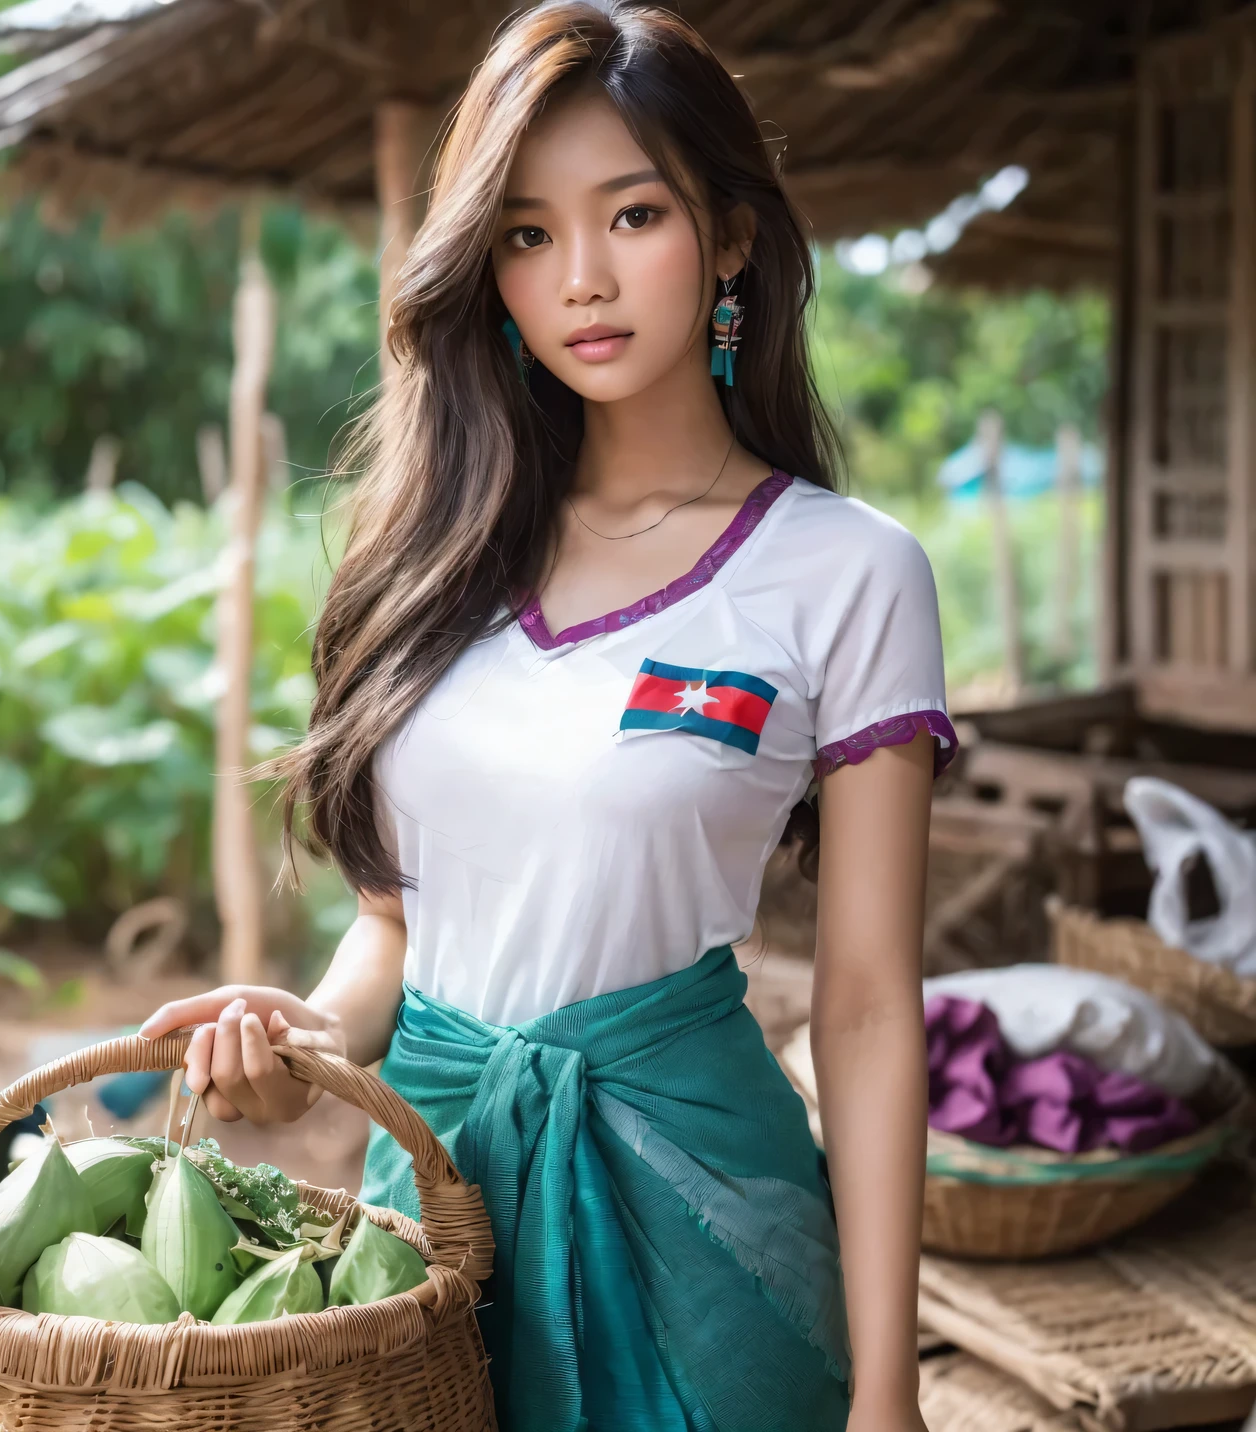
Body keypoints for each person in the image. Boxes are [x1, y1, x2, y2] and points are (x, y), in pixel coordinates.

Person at [143, 3, 956, 1427]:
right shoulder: (437, 559)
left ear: (731, 238)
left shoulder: (846, 570)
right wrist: (303, 1057)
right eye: (525, 234)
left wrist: (889, 1395)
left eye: (632, 214)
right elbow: (398, 932)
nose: (582, 277)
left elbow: (874, 1003)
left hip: (713, 1231)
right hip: (428, 1230)